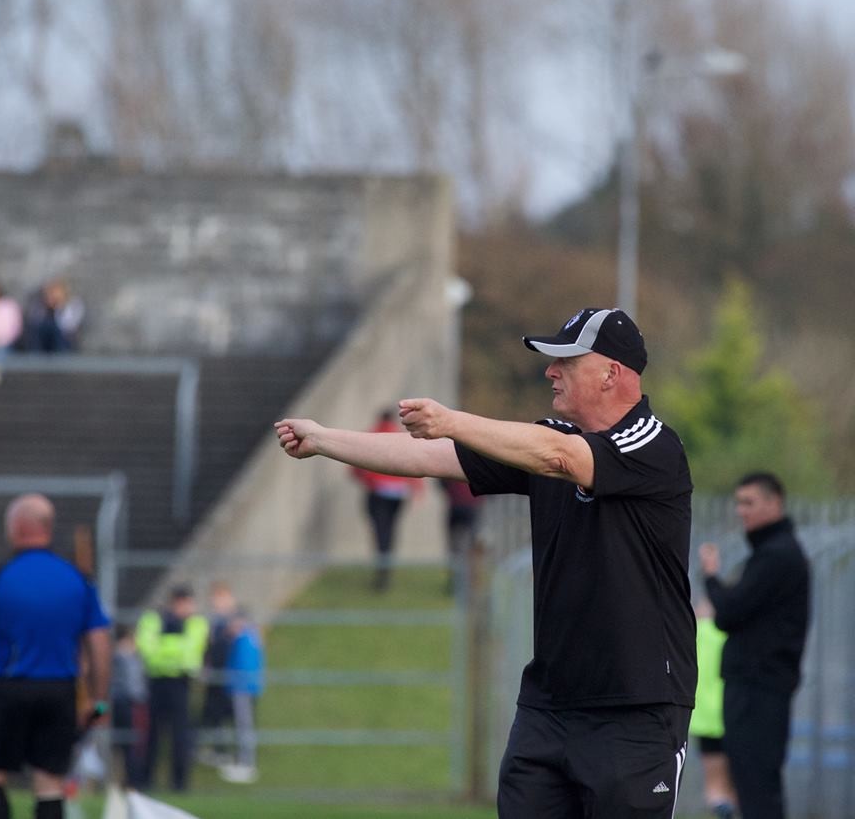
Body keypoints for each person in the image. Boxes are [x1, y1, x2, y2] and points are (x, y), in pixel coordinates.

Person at [276, 307, 696, 818]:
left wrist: (452, 420)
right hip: (548, 707)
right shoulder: (549, 441)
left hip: (635, 709)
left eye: (566, 361)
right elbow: (430, 457)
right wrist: (323, 439)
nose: (550, 371)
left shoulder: (651, 444)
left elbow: (560, 457)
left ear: (611, 373)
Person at [0, 494, 113, 819]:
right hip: (61, 691)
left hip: (9, 689)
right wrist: (99, 703)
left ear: (15, 527)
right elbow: (99, 643)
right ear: (47, 527)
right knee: (49, 783)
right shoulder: (78, 579)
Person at [699, 472, 810, 819]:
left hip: (758, 689)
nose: (741, 511)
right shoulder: (774, 553)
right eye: (738, 503)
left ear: (774, 503)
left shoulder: (776, 556)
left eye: (749, 502)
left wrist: (711, 578)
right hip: (758, 686)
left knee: (757, 787)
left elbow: (729, 612)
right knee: (753, 785)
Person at [135, 585, 209, 792]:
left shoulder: (196, 623)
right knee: (151, 735)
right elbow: (148, 652)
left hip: (181, 683)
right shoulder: (153, 619)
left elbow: (190, 656)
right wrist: (176, 648)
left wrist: (163, 647)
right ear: (176, 602)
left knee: (181, 736)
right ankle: (146, 781)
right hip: (156, 682)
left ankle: (179, 784)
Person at [350, 409, 423, 590]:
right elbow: (415, 464)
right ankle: (386, 567)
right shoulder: (401, 437)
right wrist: (416, 489)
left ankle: (382, 570)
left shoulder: (372, 435)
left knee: (380, 532)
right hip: (398, 495)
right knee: (390, 530)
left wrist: (369, 481)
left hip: (377, 493)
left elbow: (355, 469)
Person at [689, 598, 737, 819]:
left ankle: (718, 807)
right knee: (735, 777)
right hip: (732, 713)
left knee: (713, 779)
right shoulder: (732, 631)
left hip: (705, 717)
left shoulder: (696, 630)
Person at [218, 608, 265, 785]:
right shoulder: (252, 637)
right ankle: (244, 761)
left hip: (242, 688)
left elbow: (241, 666)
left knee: (244, 725)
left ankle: (246, 764)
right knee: (243, 725)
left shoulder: (244, 639)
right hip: (246, 688)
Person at [198, 581, 237, 768]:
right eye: (214, 598)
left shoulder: (235, 621)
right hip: (214, 675)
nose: (216, 602)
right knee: (212, 713)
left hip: (229, 676)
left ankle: (224, 752)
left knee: (224, 714)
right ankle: (215, 750)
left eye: (221, 598)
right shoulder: (212, 622)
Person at [110, 624, 149, 788]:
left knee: (131, 744)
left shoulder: (133, 658)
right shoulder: (125, 658)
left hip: (124, 705)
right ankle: (124, 781)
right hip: (123, 705)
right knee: (123, 743)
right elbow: (135, 688)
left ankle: (131, 781)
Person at [439, 477, 485, 595]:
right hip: (468, 507)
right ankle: (463, 584)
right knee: (466, 549)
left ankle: (462, 584)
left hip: (460, 506)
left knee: (460, 549)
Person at [25, 277, 85, 353]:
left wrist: (59, 308)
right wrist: (47, 308)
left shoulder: (74, 304)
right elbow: (34, 322)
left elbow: (69, 326)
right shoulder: (40, 305)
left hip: (65, 340)